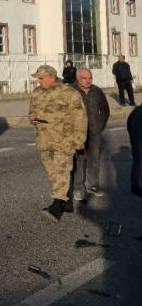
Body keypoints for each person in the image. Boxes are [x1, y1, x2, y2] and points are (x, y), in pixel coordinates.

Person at [28, 65, 86, 222]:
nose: (38, 82)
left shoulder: (69, 93)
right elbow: (31, 111)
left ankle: (57, 205)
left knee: (62, 170)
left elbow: (80, 118)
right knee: (52, 170)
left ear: (51, 77)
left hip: (64, 140)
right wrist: (32, 118)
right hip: (44, 139)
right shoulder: (37, 93)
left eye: (40, 78)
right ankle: (66, 202)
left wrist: (79, 141)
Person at [70, 68, 110, 202]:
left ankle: (93, 186)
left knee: (94, 159)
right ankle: (78, 189)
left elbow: (105, 109)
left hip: (94, 132)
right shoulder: (70, 91)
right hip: (77, 134)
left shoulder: (97, 91)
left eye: (90, 78)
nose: (88, 81)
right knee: (79, 161)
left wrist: (100, 125)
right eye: (84, 78)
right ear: (78, 78)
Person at [127, 106, 142, 197]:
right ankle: (137, 186)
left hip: (135, 132)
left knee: (137, 159)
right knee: (139, 160)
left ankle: (135, 186)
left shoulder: (135, 111)